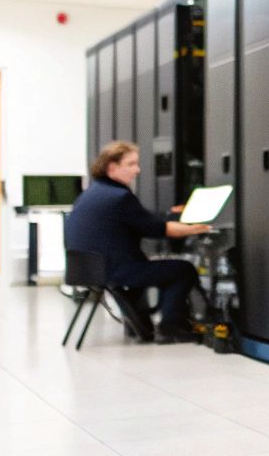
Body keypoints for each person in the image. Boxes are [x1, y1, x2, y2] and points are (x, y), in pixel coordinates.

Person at [64, 141, 211, 344]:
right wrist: (198, 227)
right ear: (112, 167)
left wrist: (170, 215)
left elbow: (140, 218)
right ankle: (172, 326)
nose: (138, 170)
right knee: (183, 270)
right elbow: (157, 229)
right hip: (116, 271)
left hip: (88, 269)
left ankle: (141, 326)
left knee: (151, 269)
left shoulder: (91, 194)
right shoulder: (120, 196)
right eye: (131, 164)